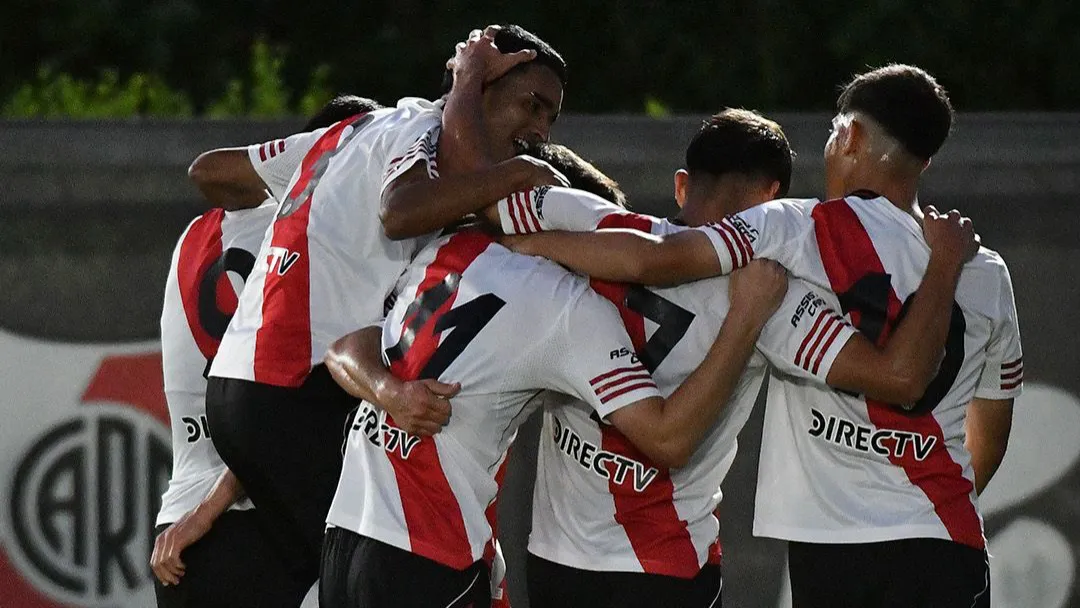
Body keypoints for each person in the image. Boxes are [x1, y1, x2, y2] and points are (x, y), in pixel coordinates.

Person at [502, 65, 1018, 607]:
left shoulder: (793, 231)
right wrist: (922, 507)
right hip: (944, 538)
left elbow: (659, 257)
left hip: (829, 546)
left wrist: (532, 247)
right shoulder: (984, 269)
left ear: (852, 136)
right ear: (926, 159)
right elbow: (989, 430)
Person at [199, 25, 571, 588]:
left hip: (242, 379)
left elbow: (212, 169)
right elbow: (402, 211)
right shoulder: (423, 130)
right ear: (481, 90)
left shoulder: (354, 130)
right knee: (369, 576)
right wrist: (513, 167)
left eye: (552, 117)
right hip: (300, 385)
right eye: (532, 105)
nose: (540, 130)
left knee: (330, 579)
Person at [150, 96, 384, 607]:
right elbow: (270, 409)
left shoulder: (195, 235)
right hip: (264, 519)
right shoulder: (316, 242)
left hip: (180, 527)